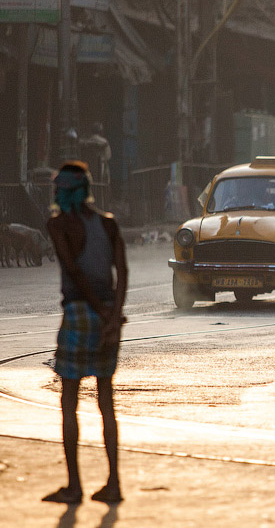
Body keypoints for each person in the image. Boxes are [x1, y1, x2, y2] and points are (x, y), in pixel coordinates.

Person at [44, 161, 128, 504]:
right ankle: (114, 484)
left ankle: (74, 486)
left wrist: (97, 308)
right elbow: (121, 271)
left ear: (63, 191)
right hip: (108, 314)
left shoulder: (58, 225)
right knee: (106, 403)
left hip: (80, 314)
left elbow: (73, 271)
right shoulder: (108, 224)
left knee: (69, 402)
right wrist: (112, 314)